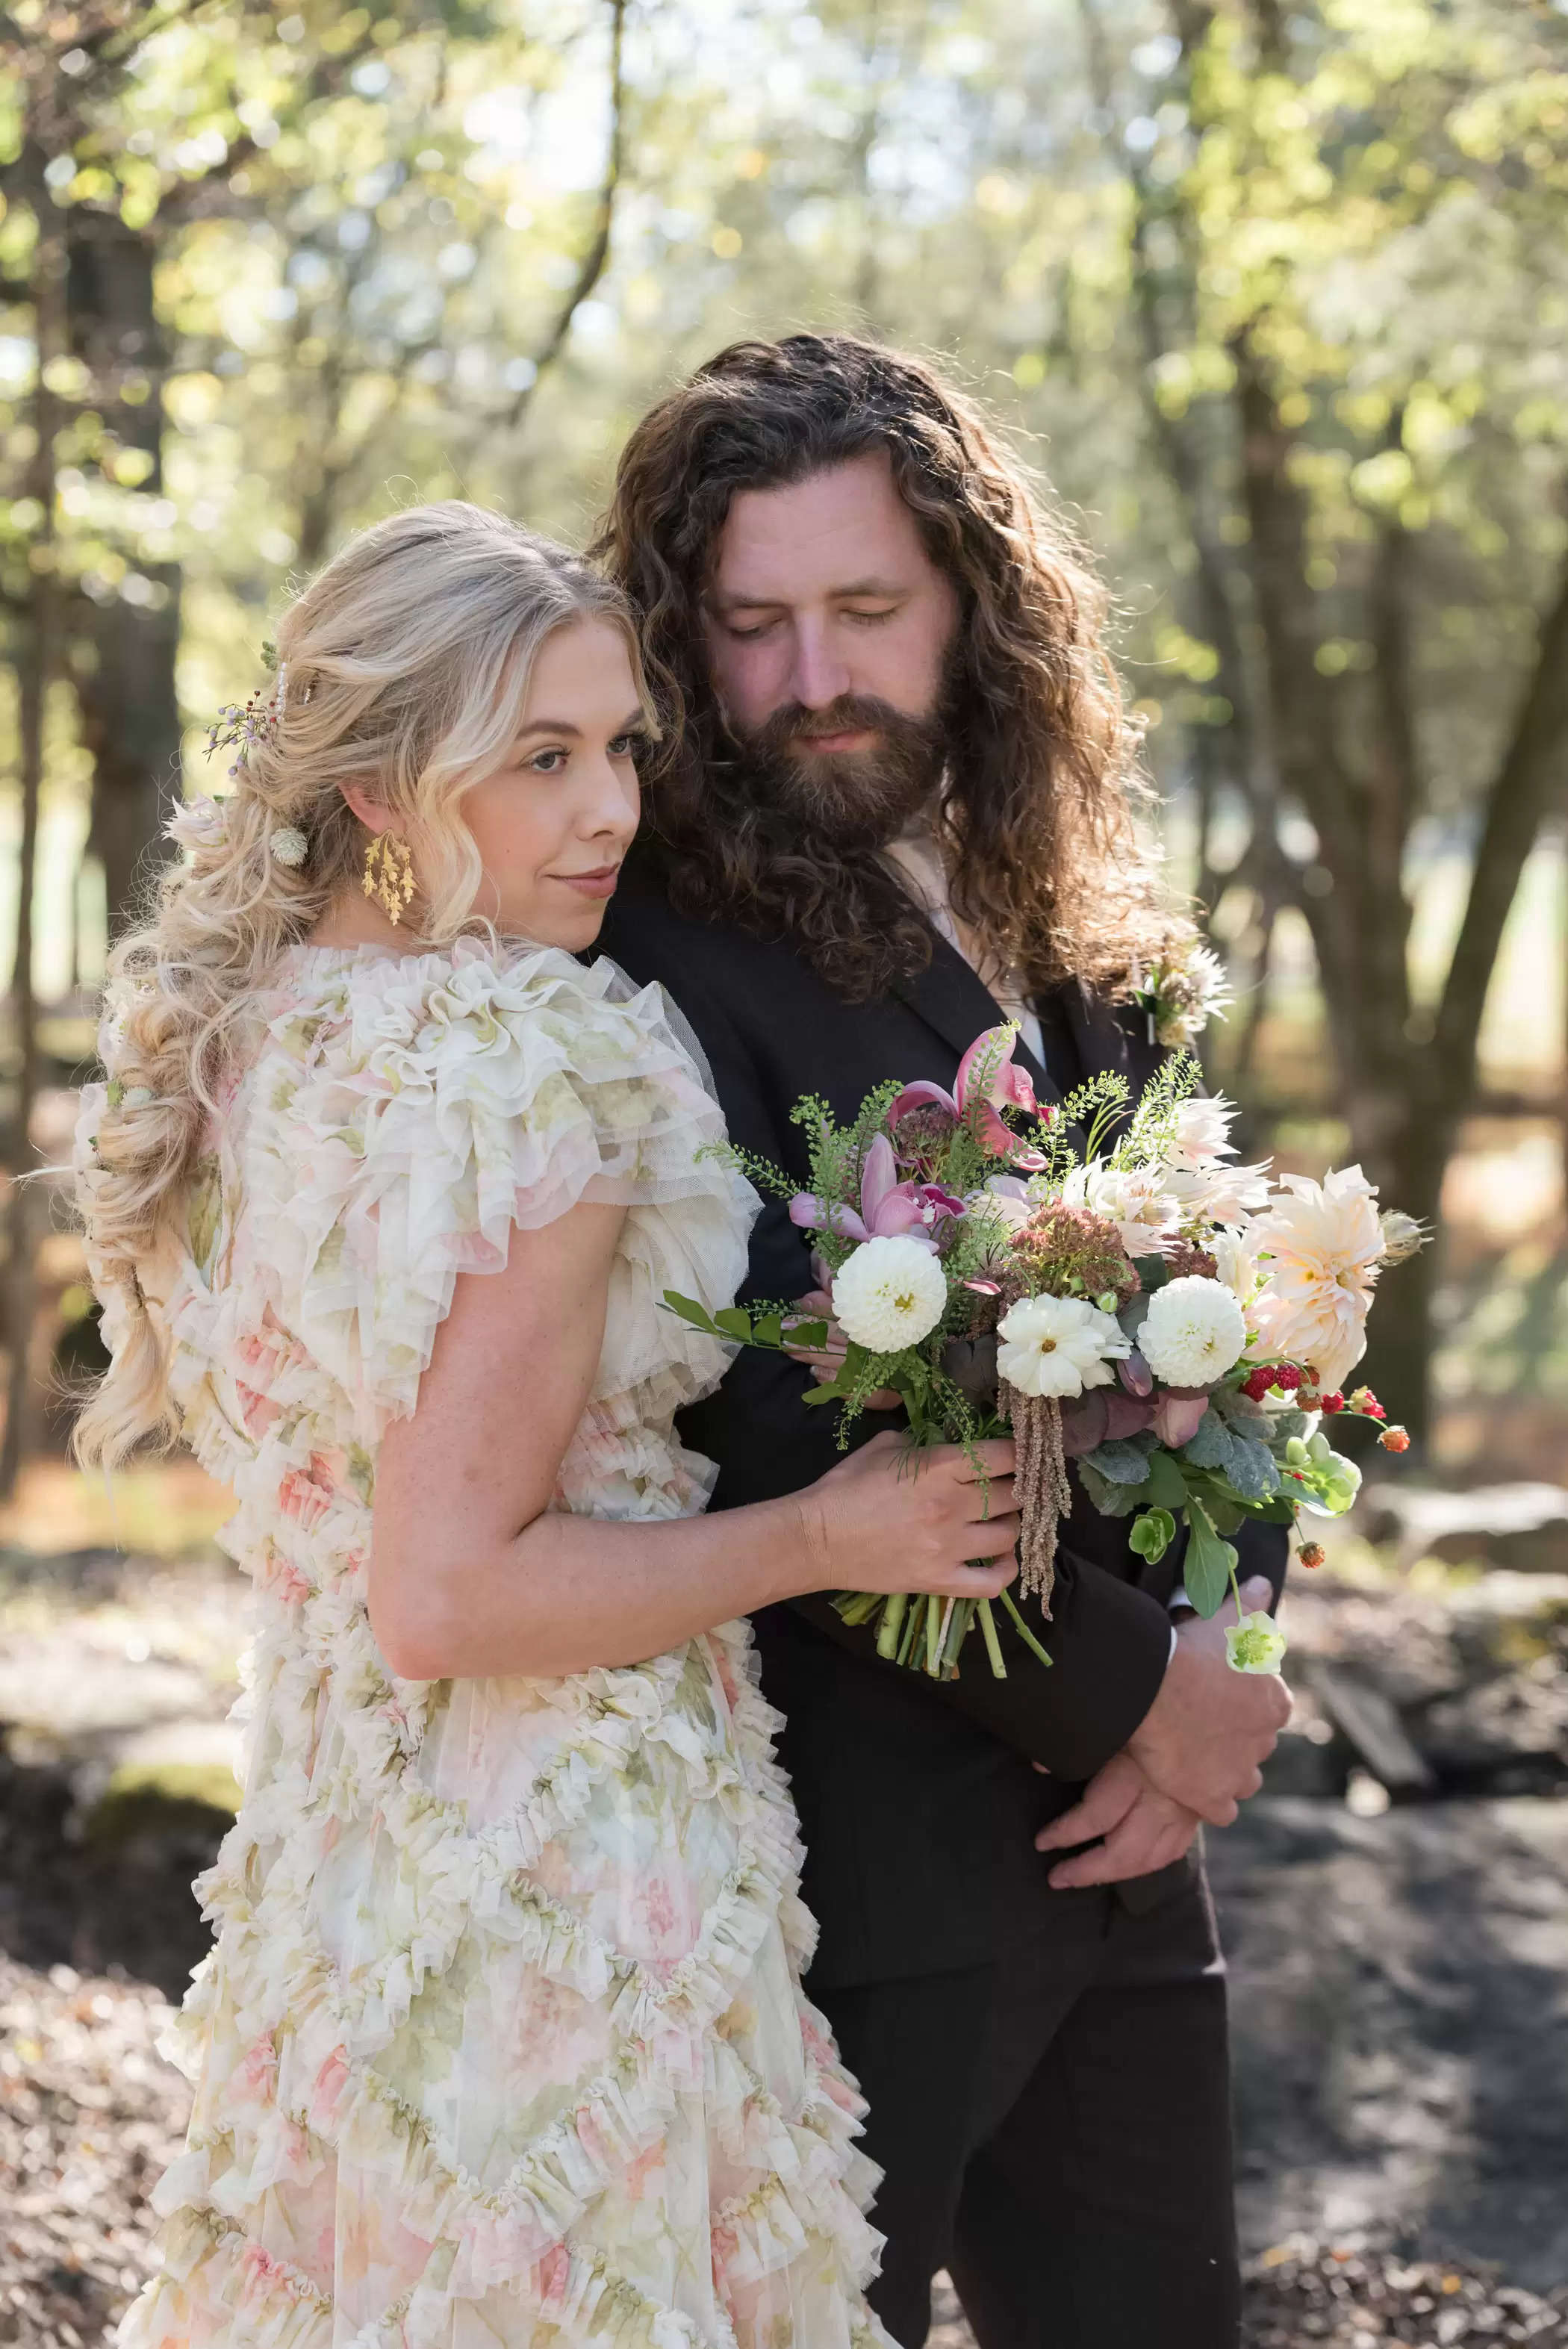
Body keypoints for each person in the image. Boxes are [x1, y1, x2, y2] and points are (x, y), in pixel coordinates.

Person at [72, 500, 1024, 2349]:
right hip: (564, 1871)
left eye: (622, 750)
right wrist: (829, 1535)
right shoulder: (535, 1052)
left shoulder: (235, 1042)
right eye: (541, 759)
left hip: (339, 1860)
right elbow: (452, 1595)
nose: (610, 811)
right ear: (380, 788)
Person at [597, 335, 1292, 2349]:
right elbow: (751, 1408)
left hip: (1132, 1840)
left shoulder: (1080, 912)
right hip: (858, 1869)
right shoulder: (649, 955)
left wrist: (1224, 1662)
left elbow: (1228, 1317)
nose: (810, 673)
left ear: (975, 605)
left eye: (865, 609)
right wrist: (1126, 1704)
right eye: (750, 624)